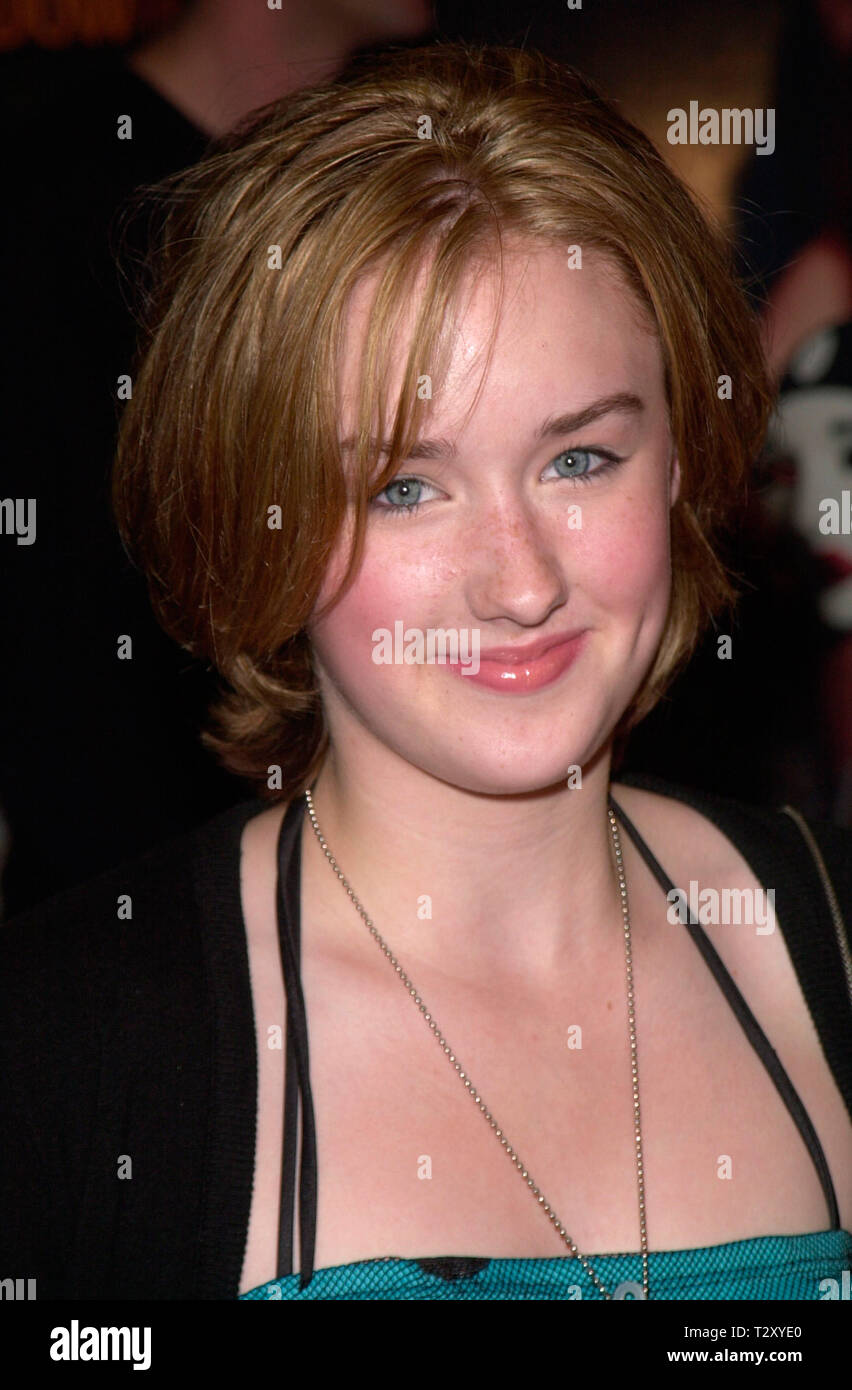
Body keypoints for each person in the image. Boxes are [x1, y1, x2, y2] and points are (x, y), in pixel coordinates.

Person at [1, 41, 850, 1303]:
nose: (518, 582)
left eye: (580, 461)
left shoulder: (829, 936)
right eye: (405, 487)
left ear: (680, 460)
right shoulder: (68, 1058)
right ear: (259, 514)